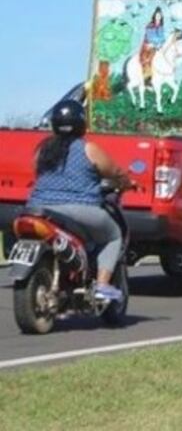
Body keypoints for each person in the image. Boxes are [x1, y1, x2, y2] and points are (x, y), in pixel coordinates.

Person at [26, 100, 132, 302]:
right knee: (113, 236)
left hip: (38, 208)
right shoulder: (88, 149)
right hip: (80, 209)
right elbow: (115, 172)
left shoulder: (42, 150)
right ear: (81, 123)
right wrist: (126, 182)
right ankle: (102, 285)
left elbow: (38, 173)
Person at [139, 6, 166, 82]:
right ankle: (147, 78)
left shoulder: (161, 27)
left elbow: (162, 38)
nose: (158, 17)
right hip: (148, 46)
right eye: (157, 15)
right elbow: (150, 37)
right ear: (154, 16)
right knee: (148, 59)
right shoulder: (150, 25)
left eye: (160, 16)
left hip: (157, 46)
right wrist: (157, 42)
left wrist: (159, 44)